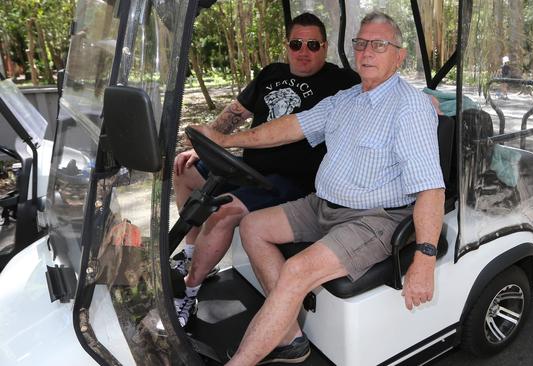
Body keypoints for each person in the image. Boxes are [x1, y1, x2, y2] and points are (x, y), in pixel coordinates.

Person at [194, 11, 446, 365]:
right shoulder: (348, 98)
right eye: (361, 44)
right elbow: (290, 126)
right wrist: (226, 139)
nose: (367, 53)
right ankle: (289, 336)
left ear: (399, 55)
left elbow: (431, 189)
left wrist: (425, 258)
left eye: (379, 45)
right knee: (252, 225)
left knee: (296, 270)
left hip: (374, 218)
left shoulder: (410, 108)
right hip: (323, 205)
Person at [171, 12, 360, 327]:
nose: (304, 51)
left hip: (289, 182)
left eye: (313, 45)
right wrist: (203, 146)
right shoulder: (270, 73)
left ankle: (189, 294)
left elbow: (379, 89)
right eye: (296, 44)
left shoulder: (340, 81)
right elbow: (234, 114)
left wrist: (426, 101)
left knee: (220, 213)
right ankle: (192, 253)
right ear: (287, 45)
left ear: (325, 47)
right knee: (183, 170)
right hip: (247, 167)